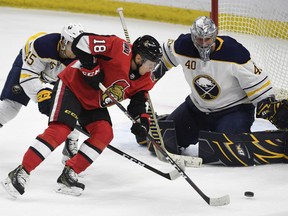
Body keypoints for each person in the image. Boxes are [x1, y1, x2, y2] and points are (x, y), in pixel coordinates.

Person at [1, 33, 162, 197]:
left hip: (94, 102)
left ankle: (69, 174)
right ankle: (21, 172)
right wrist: (91, 68)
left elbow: (138, 103)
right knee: (60, 130)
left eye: (155, 65)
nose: (152, 68)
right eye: (150, 63)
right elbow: (82, 41)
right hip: (72, 87)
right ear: (138, 58)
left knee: (104, 133)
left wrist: (141, 121)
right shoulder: (116, 47)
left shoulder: (146, 80)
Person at [150, 16, 288, 166]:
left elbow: (259, 86)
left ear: (214, 36)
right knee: (164, 140)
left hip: (233, 111)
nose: (203, 43)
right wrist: (149, 75)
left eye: (207, 39)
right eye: (199, 39)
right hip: (197, 109)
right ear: (192, 36)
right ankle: (161, 120)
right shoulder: (183, 46)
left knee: (229, 150)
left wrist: (268, 105)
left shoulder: (234, 53)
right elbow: (162, 57)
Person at [0, 23, 84, 164]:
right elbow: (28, 78)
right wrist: (42, 95)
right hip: (29, 67)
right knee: (10, 108)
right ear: (63, 42)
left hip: (56, 74)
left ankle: (71, 143)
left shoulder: (80, 59)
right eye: (72, 45)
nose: (76, 50)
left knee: (72, 108)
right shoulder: (42, 45)